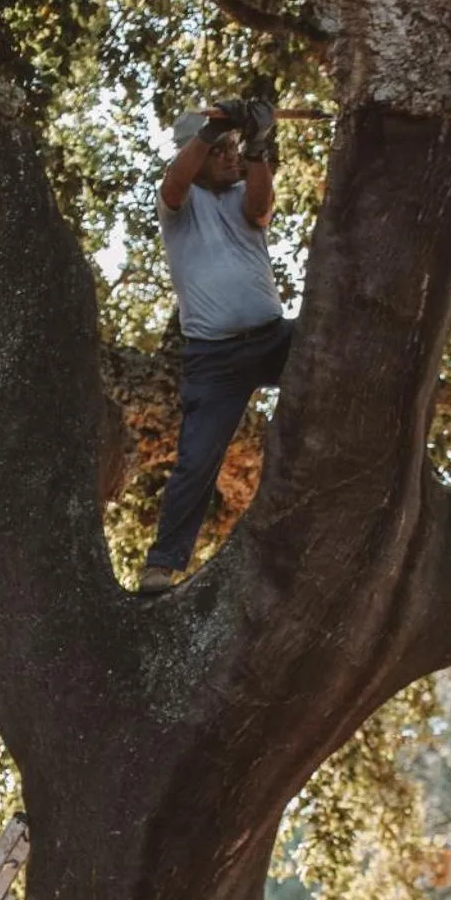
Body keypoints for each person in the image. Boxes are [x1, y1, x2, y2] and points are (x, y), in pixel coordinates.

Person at [138, 95, 296, 594]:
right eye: (219, 151)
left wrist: (258, 142)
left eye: (232, 148)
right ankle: (161, 566)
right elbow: (174, 181)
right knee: (197, 461)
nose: (230, 157)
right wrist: (210, 132)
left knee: (333, 347)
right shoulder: (179, 206)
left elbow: (261, 207)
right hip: (214, 360)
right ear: (198, 155)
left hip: (274, 339)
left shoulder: (243, 194)